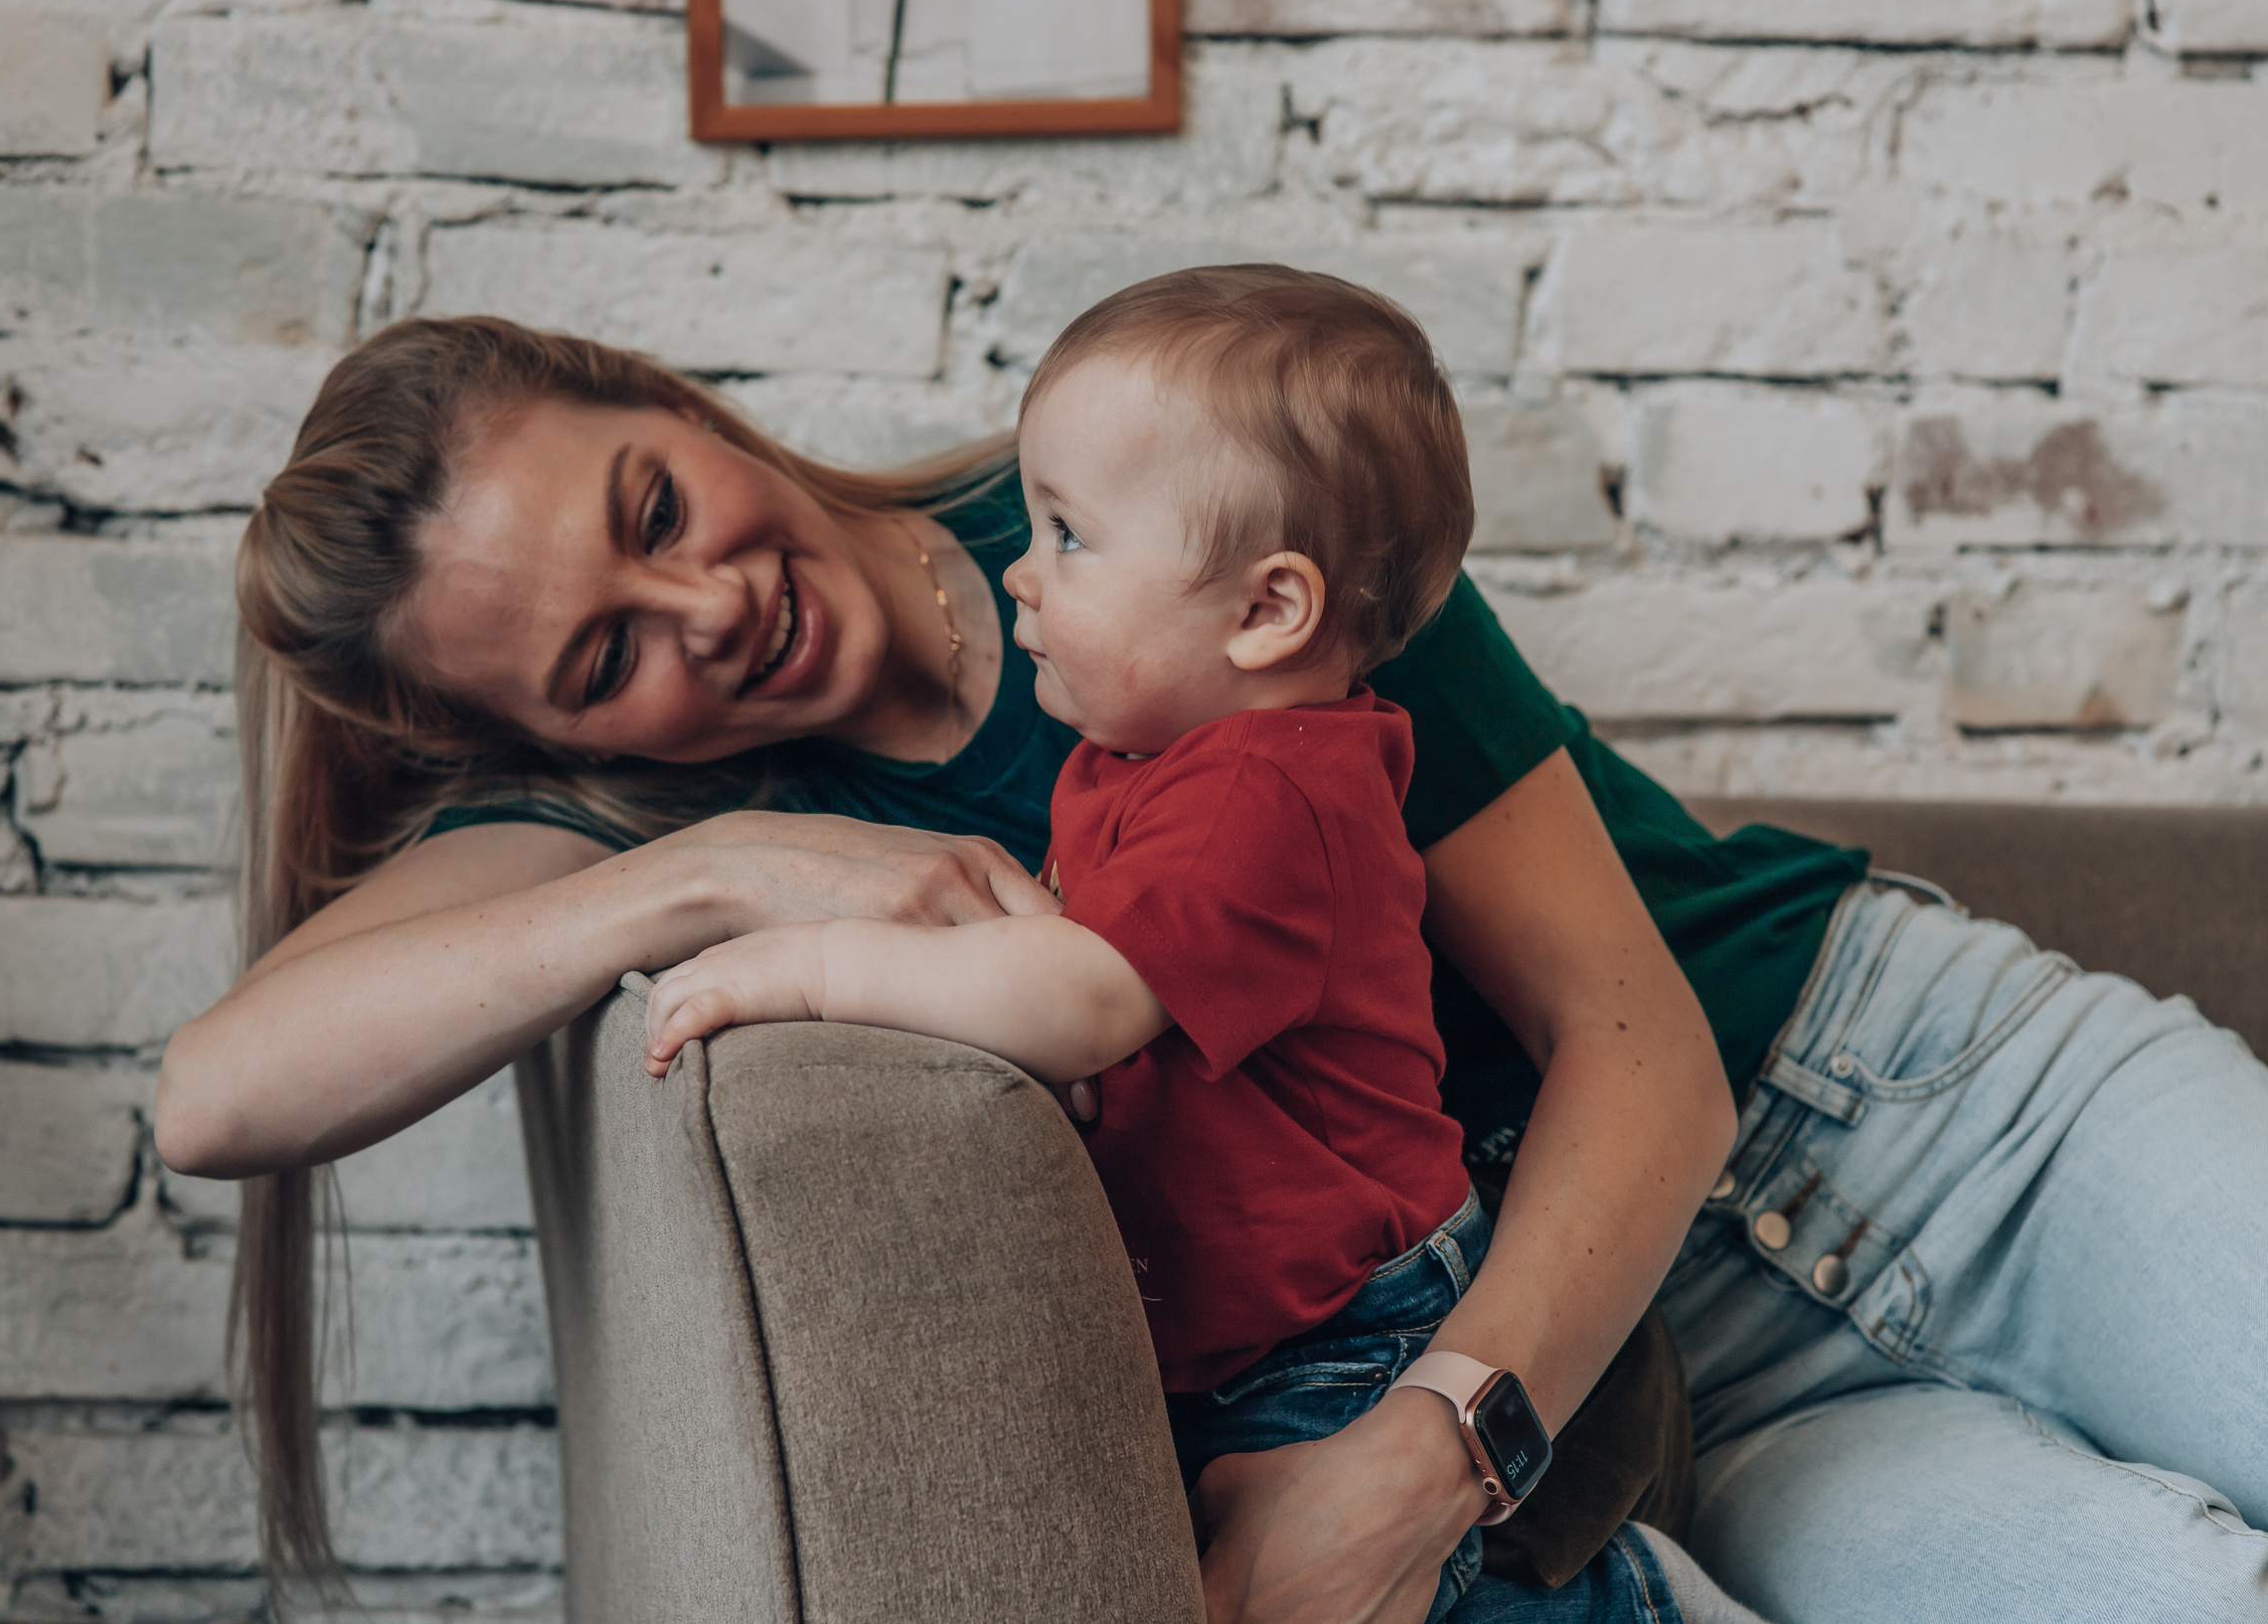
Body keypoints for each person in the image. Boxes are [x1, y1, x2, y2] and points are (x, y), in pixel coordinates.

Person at [158, 269, 2268, 1624]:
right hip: (1659, 1385)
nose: (698, 609)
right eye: (601, 658)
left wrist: (1423, 1454)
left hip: (1906, 1096)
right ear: (535, 735)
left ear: (671, 399)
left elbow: (1644, 1052)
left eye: (646, 506)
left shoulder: (1166, 478)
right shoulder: (698, 823)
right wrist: (686, 881)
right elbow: (221, 1093)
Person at [638, 271, 1759, 1622]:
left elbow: (1078, 998)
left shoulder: (1266, 794)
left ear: (1266, 613)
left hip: (1355, 1330)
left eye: (1069, 536)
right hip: (1266, 1330)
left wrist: (803, 968)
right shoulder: (1158, 764)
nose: (1019, 570)